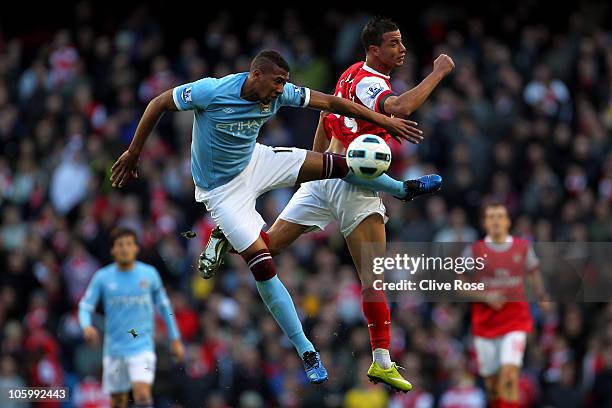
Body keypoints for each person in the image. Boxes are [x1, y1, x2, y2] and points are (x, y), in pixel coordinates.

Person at [201, 17, 454, 392]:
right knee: (373, 278)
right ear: (374, 49)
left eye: (402, 43)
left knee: (265, 248)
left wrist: (313, 167)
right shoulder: (371, 82)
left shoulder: (349, 73)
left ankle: (225, 230)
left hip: (325, 178)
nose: (402, 49)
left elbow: (326, 116)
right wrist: (439, 73)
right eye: (395, 43)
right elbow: (399, 106)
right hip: (355, 188)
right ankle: (382, 361)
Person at [78, 227, 185, 408]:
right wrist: (86, 326)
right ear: (113, 250)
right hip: (115, 348)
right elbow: (85, 306)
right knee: (118, 401)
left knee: (142, 394)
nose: (125, 249)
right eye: (120, 245)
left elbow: (164, 306)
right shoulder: (102, 277)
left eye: (129, 244)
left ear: (136, 248)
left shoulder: (149, 274)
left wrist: (175, 338)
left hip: (142, 345)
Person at [462, 203, 550, 408]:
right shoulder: (474, 251)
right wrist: (486, 297)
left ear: (508, 221)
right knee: (492, 382)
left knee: (510, 372)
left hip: (515, 319)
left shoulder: (523, 247)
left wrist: (542, 296)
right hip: (486, 323)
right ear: (484, 222)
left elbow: (534, 272)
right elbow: (459, 286)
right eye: (491, 217)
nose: (495, 221)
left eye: (500, 216)